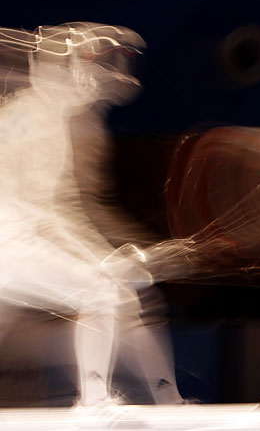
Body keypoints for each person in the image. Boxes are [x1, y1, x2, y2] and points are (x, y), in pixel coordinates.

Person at [0, 23, 183, 405]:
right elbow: (45, 215)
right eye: (85, 68)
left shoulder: (36, 112)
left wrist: (105, 255)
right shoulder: (40, 119)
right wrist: (102, 259)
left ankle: (164, 398)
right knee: (101, 291)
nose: (93, 81)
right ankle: (96, 401)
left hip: (14, 243)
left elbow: (54, 210)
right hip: (11, 244)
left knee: (112, 295)